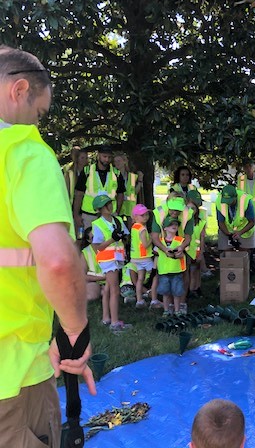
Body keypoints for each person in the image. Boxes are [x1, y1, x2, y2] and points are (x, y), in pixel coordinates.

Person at [0, 45, 95, 447]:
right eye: (40, 114)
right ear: (19, 90)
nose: (38, 125)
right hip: (13, 374)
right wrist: (75, 332)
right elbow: (57, 261)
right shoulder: (24, 153)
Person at [91, 194, 131, 332]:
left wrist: (122, 238)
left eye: (110, 203)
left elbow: (125, 236)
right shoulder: (98, 224)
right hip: (108, 260)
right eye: (106, 205)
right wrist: (113, 239)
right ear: (99, 209)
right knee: (115, 290)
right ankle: (114, 323)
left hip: (117, 258)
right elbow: (98, 247)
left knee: (108, 289)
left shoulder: (118, 220)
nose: (110, 206)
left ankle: (106, 318)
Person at [73, 144, 126, 230]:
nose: (107, 159)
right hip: (89, 215)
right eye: (104, 156)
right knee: (89, 241)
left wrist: (116, 212)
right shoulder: (87, 171)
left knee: (109, 241)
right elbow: (79, 194)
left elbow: (120, 194)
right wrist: (76, 215)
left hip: (110, 215)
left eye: (109, 157)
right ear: (98, 156)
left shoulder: (116, 173)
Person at [157, 217, 187, 315]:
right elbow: (156, 253)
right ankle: (166, 310)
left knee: (177, 293)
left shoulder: (180, 240)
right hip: (164, 271)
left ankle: (177, 310)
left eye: (176, 225)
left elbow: (185, 253)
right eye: (171, 224)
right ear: (164, 228)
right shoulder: (160, 242)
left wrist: (180, 254)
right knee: (165, 293)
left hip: (176, 270)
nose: (174, 226)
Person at [216, 184, 255, 253]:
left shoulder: (246, 201)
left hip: (244, 229)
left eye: (230, 201)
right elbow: (220, 222)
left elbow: (252, 222)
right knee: (227, 253)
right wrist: (229, 235)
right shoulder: (219, 201)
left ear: (235, 197)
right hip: (227, 229)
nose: (228, 203)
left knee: (244, 253)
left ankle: (245, 263)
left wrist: (240, 233)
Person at [130, 203, 153, 308]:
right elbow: (145, 245)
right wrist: (152, 238)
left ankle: (139, 300)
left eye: (146, 214)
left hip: (135, 257)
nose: (145, 217)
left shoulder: (134, 227)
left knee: (140, 279)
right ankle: (154, 297)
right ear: (135, 216)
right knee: (156, 274)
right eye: (142, 215)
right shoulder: (142, 229)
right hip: (144, 257)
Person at [186, 190, 207, 299]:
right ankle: (189, 289)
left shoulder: (201, 223)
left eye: (193, 209)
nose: (191, 211)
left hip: (196, 250)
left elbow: (202, 238)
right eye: (188, 208)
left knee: (195, 271)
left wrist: (201, 253)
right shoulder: (183, 222)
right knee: (188, 272)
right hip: (186, 251)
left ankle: (195, 288)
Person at [113, 152, 143, 224]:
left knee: (131, 229)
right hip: (117, 206)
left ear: (124, 162)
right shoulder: (112, 175)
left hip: (129, 208)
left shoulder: (132, 176)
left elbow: (134, 192)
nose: (117, 163)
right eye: (115, 161)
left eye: (119, 161)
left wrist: (140, 181)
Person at [79, 226, 106, 301]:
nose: (97, 239)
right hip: (93, 281)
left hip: (110, 281)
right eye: (93, 237)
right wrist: (102, 278)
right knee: (92, 296)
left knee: (108, 292)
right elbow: (82, 276)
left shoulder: (108, 247)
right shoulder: (85, 253)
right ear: (88, 240)